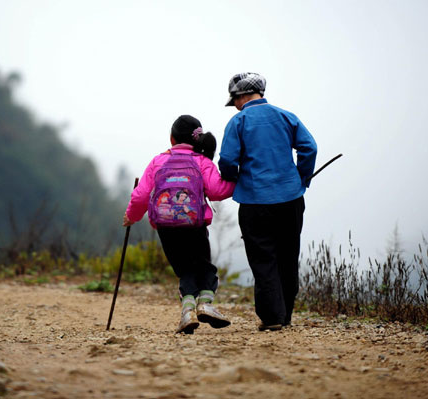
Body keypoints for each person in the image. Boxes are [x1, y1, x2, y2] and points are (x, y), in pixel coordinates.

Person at [218, 73, 318, 331]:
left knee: (263, 258)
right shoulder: (286, 117)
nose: (236, 105)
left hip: (254, 203)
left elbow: (228, 160)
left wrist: (234, 179)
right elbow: (309, 148)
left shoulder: (238, 121)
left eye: (235, 100)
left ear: (240, 96)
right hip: (290, 199)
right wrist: (301, 177)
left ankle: (272, 316)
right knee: (288, 254)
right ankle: (285, 316)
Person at [123, 115, 235, 334]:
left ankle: (187, 311)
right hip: (194, 225)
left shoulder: (158, 161)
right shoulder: (202, 162)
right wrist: (237, 182)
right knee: (204, 267)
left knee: (184, 270)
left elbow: (141, 195)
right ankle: (205, 304)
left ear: (172, 138)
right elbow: (216, 190)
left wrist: (132, 217)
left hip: (165, 227)